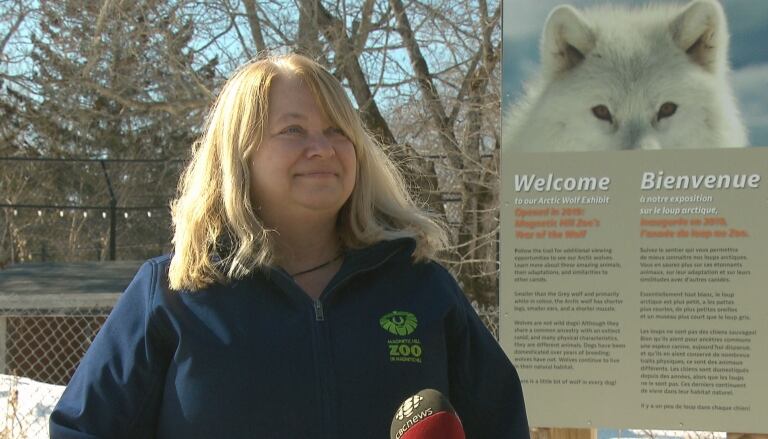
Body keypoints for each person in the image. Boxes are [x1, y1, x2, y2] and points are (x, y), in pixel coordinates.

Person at [50, 53, 530, 438]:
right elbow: (81, 428)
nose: (321, 147)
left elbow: (502, 422)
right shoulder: (173, 293)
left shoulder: (422, 287)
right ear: (239, 156)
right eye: (293, 130)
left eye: (337, 130)